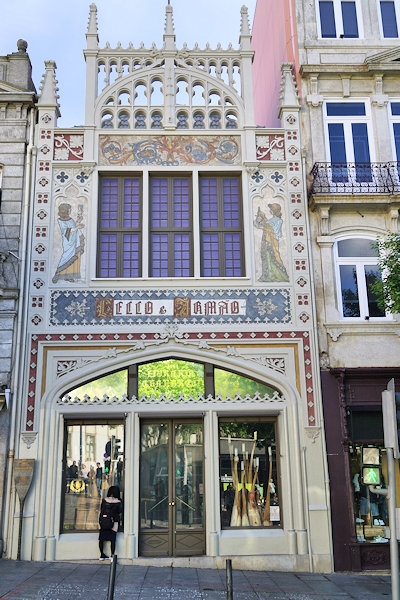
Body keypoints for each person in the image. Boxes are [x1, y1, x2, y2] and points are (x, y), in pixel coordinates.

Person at [52, 202, 85, 283]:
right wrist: (78, 227)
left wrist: (78, 221)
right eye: (69, 209)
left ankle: (70, 275)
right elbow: (67, 231)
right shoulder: (60, 220)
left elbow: (74, 226)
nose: (70, 211)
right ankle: (57, 274)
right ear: (65, 210)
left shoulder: (70, 219)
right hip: (68, 241)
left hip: (74, 240)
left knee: (75, 256)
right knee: (66, 256)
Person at [98, 485, 122, 561]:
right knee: (113, 539)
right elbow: (119, 511)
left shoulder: (104, 500)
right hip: (114, 522)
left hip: (104, 521)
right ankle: (112, 555)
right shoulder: (118, 502)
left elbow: (101, 509)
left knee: (101, 539)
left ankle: (102, 555)